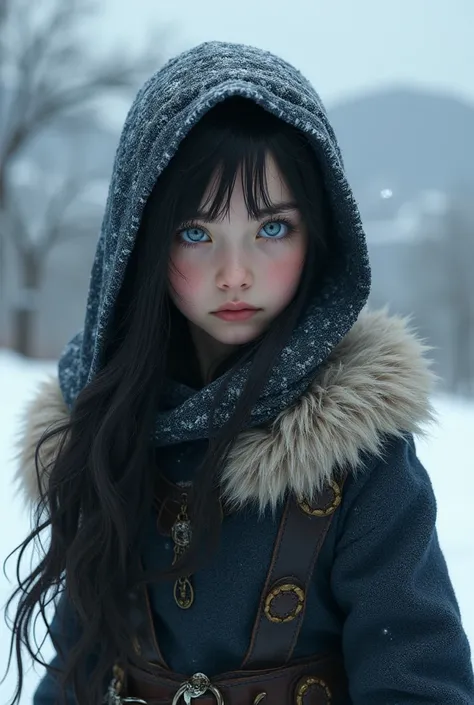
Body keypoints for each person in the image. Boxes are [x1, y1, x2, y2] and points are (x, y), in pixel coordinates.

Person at [5, 41, 474, 705]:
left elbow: (420, 686)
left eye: (272, 228)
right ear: (141, 241)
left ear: (320, 232)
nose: (236, 271)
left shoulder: (363, 461)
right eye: (197, 233)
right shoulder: (106, 433)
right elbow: (74, 675)